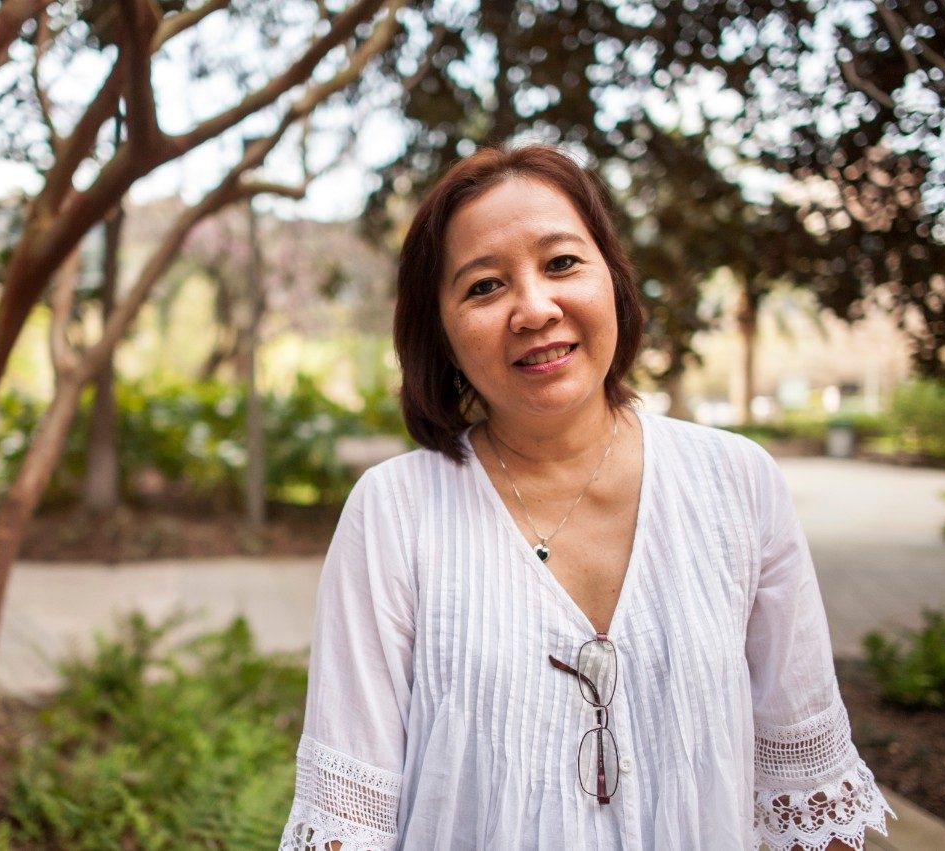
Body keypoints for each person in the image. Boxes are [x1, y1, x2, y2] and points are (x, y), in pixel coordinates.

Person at [279, 144, 894, 850]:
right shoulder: (394, 513)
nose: (535, 309)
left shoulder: (737, 483)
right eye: (484, 286)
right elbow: (347, 823)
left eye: (562, 263)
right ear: (441, 334)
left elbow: (807, 789)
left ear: (614, 282)